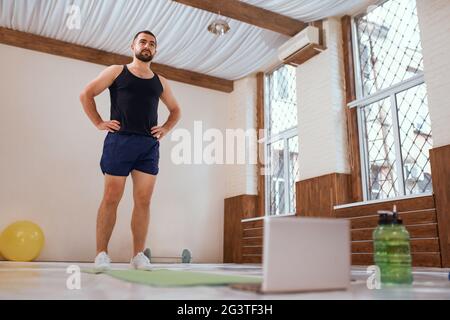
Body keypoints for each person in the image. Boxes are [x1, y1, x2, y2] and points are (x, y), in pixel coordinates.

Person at [79, 31, 181, 271]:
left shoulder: (160, 81)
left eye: (152, 44)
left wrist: (166, 127)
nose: (147, 46)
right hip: (120, 141)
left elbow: (176, 110)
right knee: (111, 198)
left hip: (148, 146)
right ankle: (101, 254)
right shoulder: (117, 71)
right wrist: (98, 122)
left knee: (143, 201)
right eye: (143, 41)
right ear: (133, 45)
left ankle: (138, 255)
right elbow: (86, 94)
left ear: (155, 51)